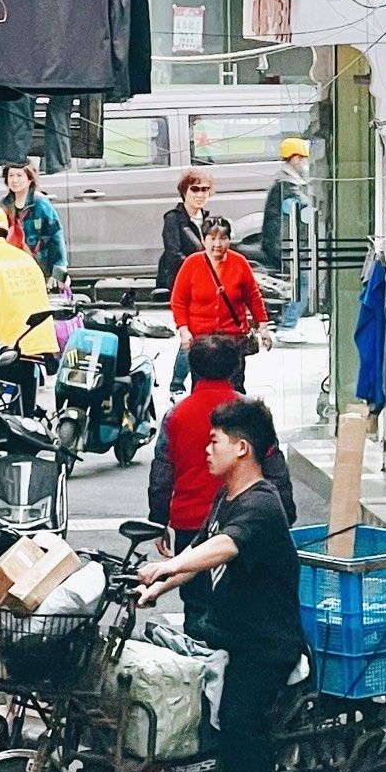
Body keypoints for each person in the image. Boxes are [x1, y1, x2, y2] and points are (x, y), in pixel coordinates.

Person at [138, 395, 306, 772]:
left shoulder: (261, 505)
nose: (206, 451)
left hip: (265, 644)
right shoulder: (227, 498)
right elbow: (199, 548)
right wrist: (157, 585)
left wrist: (166, 566)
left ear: (242, 448)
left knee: (236, 720)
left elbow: (223, 548)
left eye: (214, 442)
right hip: (229, 635)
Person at [148, 335, 296, 640]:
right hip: (216, 529)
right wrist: (285, 517)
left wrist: (158, 519)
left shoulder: (178, 414)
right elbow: (277, 469)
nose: (209, 449)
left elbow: (163, 471)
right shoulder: (247, 415)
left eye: (214, 443)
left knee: (199, 610)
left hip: (196, 523)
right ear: (234, 366)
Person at [0, 202, 58, 409]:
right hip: (37, 343)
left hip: (9, 346)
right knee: (25, 406)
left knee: (4, 409)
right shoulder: (25, 258)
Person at [169, 214, 269, 355]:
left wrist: (263, 326)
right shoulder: (191, 263)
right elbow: (178, 301)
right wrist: (184, 330)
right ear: (204, 240)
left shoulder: (240, 262)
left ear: (229, 240)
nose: (217, 244)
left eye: (223, 238)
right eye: (212, 238)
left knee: (232, 376)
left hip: (232, 338)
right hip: (199, 339)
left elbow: (253, 297)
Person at [156, 169, 214, 398]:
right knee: (189, 334)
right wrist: (198, 268)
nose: (200, 195)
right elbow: (173, 252)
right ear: (184, 192)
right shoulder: (173, 218)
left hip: (206, 286)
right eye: (195, 189)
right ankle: (178, 383)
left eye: (205, 190)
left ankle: (188, 384)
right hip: (183, 283)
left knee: (200, 334)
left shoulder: (209, 220)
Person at [260, 138, 315, 332]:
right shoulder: (287, 185)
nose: (306, 164)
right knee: (302, 285)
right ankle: (287, 325)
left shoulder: (288, 181)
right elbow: (305, 208)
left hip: (288, 243)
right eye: (304, 159)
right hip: (286, 244)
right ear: (295, 159)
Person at [1, 160, 68, 284]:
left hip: (38, 267)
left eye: (19, 175)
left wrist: (60, 268)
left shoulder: (41, 204)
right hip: (12, 269)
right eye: (11, 176)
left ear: (30, 179)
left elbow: (55, 235)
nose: (14, 180)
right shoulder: (4, 205)